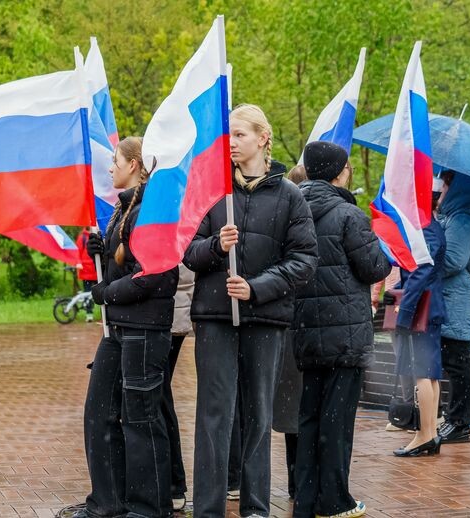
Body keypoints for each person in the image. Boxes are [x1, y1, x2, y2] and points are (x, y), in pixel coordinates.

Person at [184, 104, 318, 518]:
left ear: (263, 138)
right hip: (215, 318)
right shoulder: (210, 193)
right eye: (229, 137)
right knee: (214, 415)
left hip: (265, 319)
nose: (232, 144)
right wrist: (215, 247)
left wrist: (256, 288)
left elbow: (304, 260)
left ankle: (256, 506)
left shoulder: (290, 196)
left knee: (258, 415)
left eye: (240, 136)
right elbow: (187, 252)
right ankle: (207, 507)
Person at [78, 136, 179, 518]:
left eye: (116, 161)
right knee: (99, 412)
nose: (110, 168)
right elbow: (124, 260)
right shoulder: (126, 208)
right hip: (118, 330)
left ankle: (149, 506)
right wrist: (99, 252)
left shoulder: (152, 208)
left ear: (134, 164)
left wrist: (108, 292)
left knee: (141, 418)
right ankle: (107, 501)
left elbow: (155, 275)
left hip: (145, 330)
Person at [291, 142, 391, 517]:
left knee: (310, 416)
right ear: (338, 172)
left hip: (305, 330)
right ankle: (334, 500)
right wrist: (383, 250)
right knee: (337, 420)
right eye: (347, 168)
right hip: (345, 334)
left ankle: (305, 497)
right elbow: (373, 268)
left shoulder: (292, 209)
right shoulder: (348, 214)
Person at [390, 184, 447, 458]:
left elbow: (421, 270)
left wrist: (405, 311)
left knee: (422, 373)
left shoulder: (424, 227)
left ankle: (424, 435)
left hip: (422, 309)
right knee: (430, 373)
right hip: (429, 307)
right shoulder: (430, 224)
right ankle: (429, 433)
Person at [437, 171, 470, 445]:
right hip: (453, 301)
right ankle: (454, 419)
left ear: (458, 190)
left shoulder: (462, 220)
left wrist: (426, 265)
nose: (441, 191)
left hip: (456, 302)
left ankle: (459, 423)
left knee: (457, 363)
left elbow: (454, 260)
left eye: (445, 186)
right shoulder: (456, 218)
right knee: (454, 362)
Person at [272, 162, 308, 502]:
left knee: (291, 410)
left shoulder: (282, 218)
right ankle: (305, 484)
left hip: (286, 325)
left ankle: (297, 482)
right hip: (310, 325)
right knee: (308, 410)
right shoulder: (304, 222)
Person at [166, 264, 195, 511]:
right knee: (158, 395)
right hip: (150, 308)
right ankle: (172, 482)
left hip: (167, 310)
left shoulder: (177, 224)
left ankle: (174, 483)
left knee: (159, 395)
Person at [76, 228, 98, 322]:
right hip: (86, 271)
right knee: (87, 293)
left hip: (97, 271)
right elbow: (77, 252)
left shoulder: (99, 235)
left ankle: (104, 314)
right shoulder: (83, 237)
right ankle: (89, 314)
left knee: (100, 293)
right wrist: (78, 262)